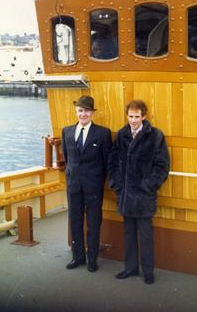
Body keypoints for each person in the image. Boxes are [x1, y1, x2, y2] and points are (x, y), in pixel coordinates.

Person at [108, 100, 170, 284]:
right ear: (127, 116)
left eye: (137, 116)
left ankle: (148, 271)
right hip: (126, 195)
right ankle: (130, 268)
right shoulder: (121, 135)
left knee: (145, 235)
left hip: (144, 196)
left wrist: (148, 186)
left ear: (144, 116)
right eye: (130, 116)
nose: (133, 120)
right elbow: (112, 163)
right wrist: (118, 186)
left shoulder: (155, 136)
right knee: (128, 233)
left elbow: (162, 166)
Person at [62, 95, 112, 272]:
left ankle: (92, 259)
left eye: (87, 111)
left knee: (93, 222)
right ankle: (78, 257)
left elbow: (107, 162)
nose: (83, 114)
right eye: (80, 111)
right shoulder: (66, 131)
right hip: (73, 185)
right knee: (74, 221)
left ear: (92, 113)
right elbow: (68, 159)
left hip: (93, 186)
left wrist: (99, 181)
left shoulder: (103, 133)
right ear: (76, 111)